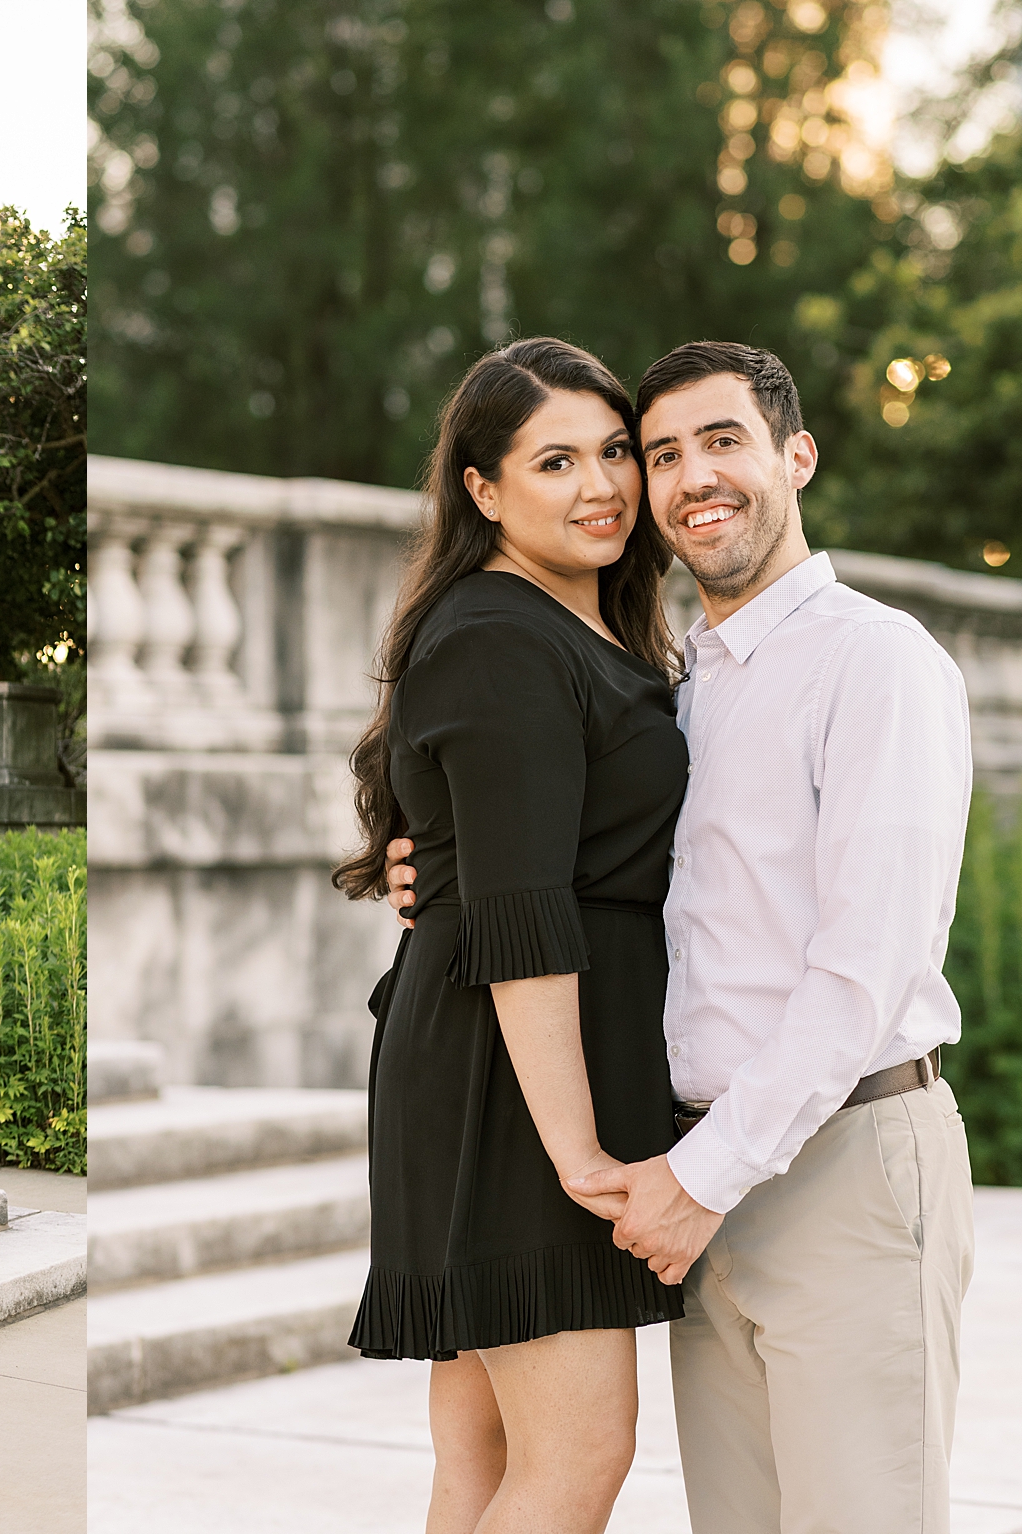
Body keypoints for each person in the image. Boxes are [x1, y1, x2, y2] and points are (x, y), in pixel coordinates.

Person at [390, 342, 976, 1532]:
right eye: (657, 453)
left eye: (719, 442)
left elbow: (863, 969)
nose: (677, 476)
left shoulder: (873, 660)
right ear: (483, 488)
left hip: (828, 1155)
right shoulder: (676, 677)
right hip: (686, 1170)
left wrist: (688, 1180)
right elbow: (545, 855)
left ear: (794, 457)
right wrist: (432, 874)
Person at [334, 337, 686, 1534]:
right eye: (554, 461)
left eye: (611, 452)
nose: (601, 486)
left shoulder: (571, 627)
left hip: (504, 1066)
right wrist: (579, 1153)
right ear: (481, 489)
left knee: (482, 1462)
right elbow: (520, 921)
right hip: (519, 1085)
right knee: (575, 1456)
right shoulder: (500, 634)